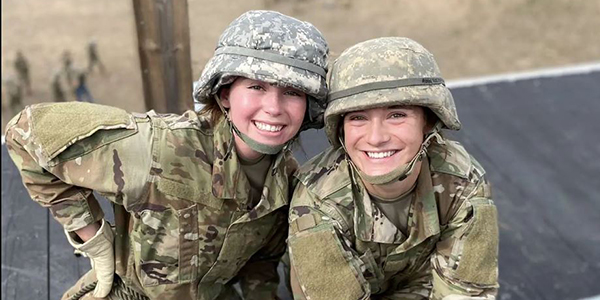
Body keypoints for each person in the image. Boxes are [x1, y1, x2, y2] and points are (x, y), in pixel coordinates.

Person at [5, 10, 328, 300]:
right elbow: (25, 131)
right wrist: (91, 235)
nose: (273, 108)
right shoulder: (161, 148)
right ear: (225, 93)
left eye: (292, 92)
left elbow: (261, 263)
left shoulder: (287, 178)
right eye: (257, 87)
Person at [288, 37, 498, 300]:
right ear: (341, 128)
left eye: (397, 115)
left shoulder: (462, 180)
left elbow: (467, 293)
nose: (376, 137)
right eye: (358, 118)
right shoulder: (317, 199)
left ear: (428, 121)